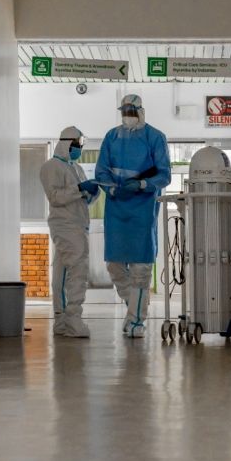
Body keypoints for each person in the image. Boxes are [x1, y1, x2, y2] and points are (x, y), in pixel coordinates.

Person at [95, 94, 171, 338]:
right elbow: (101, 170)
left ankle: (137, 321)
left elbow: (164, 174)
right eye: (124, 111)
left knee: (140, 270)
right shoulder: (112, 136)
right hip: (116, 207)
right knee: (114, 266)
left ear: (141, 111)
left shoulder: (155, 137)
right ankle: (135, 310)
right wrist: (111, 188)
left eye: (131, 111)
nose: (127, 116)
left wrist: (142, 185)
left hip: (143, 208)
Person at [40, 126, 100, 338]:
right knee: (77, 270)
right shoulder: (52, 166)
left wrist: (92, 193)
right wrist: (80, 189)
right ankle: (73, 318)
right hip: (65, 225)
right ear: (67, 143)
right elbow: (55, 197)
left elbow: (83, 199)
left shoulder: (76, 168)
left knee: (63, 272)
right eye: (77, 144)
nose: (80, 148)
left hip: (77, 224)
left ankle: (62, 321)